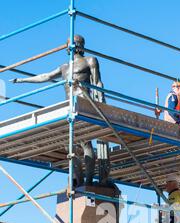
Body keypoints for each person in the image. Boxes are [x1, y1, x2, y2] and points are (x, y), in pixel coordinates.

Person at [11, 35, 110, 187]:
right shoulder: (64, 67)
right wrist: (23, 80)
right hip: (68, 106)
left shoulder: (90, 60)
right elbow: (46, 76)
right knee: (68, 145)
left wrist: (101, 101)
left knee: (86, 143)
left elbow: (97, 82)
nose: (68, 48)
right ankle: (80, 180)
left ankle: (89, 182)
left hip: (84, 104)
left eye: (71, 44)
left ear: (78, 45)